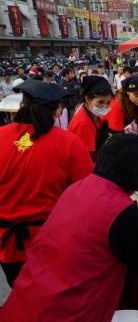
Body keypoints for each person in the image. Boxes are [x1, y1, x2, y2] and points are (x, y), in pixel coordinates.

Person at [0, 133, 138, 321]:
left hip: (28, 301)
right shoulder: (125, 214)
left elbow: (98, 212)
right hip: (67, 311)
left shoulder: (78, 187)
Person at [0, 79, 93, 287]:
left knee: (21, 298)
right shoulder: (69, 143)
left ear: (21, 105)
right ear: (57, 110)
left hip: (7, 244)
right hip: (52, 241)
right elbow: (88, 194)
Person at [68, 76, 114, 160]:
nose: (105, 106)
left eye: (108, 103)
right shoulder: (84, 124)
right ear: (87, 99)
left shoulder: (94, 115)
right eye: (100, 102)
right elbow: (86, 158)